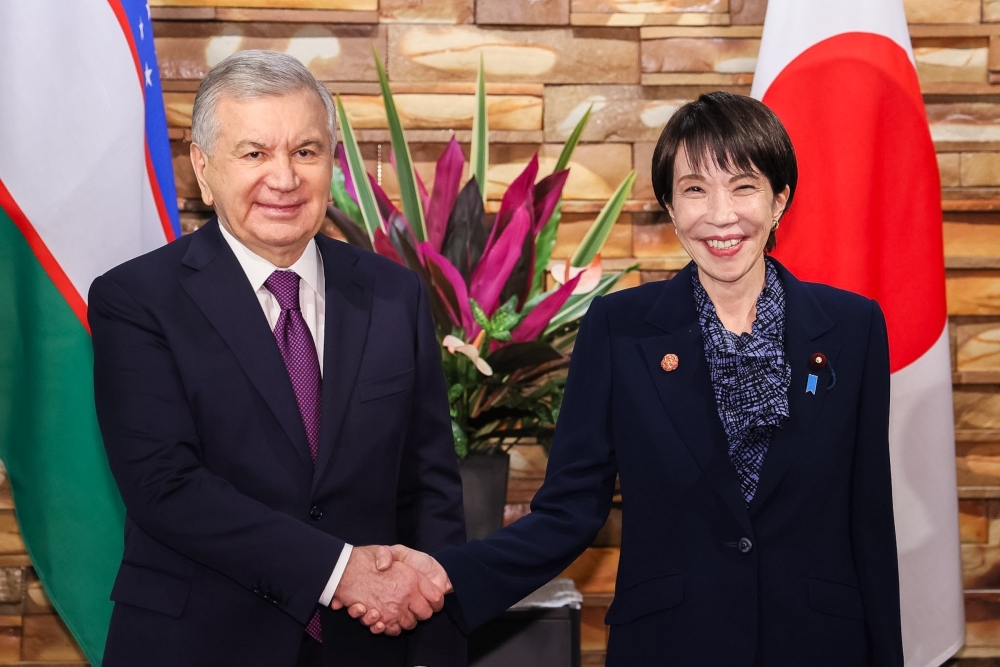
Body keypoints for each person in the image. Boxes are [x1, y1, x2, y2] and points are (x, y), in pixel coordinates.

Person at [362, 92, 905, 666]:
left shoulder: (852, 329)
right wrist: (446, 575)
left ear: (779, 200)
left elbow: (868, 520)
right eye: (694, 189)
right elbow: (569, 510)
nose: (721, 214)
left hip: (820, 647)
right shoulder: (618, 329)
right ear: (669, 206)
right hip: (670, 646)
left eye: (743, 186)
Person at [89, 50, 465, 667]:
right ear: (203, 168)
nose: (285, 178)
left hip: (370, 648)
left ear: (332, 161)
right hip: (197, 645)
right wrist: (339, 571)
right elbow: (165, 486)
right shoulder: (135, 299)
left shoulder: (393, 293)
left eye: (305, 151)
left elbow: (429, 486)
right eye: (254, 153)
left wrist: (435, 630)